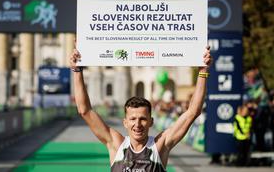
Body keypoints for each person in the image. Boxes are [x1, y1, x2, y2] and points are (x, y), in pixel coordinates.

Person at [70, 47, 212, 171]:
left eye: (143, 119)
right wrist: (77, 70)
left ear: (151, 121)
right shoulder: (117, 145)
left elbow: (193, 112)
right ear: (125, 122)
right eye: (133, 119)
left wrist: (203, 72)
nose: (137, 124)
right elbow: (85, 111)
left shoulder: (159, 145)